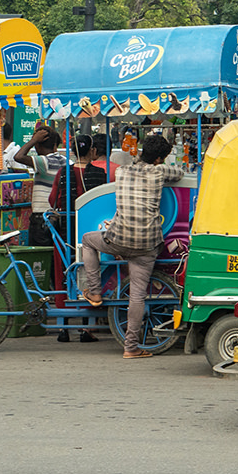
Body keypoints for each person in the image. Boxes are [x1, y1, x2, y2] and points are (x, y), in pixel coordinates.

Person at [80, 135, 184, 359]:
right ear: (158, 159)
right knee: (137, 295)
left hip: (118, 239)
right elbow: (180, 174)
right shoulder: (159, 172)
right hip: (147, 245)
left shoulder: (122, 172)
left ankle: (95, 292)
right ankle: (131, 347)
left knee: (88, 240)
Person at [48, 135, 103, 341]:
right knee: (90, 273)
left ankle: (63, 327)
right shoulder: (99, 173)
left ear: (71, 151)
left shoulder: (63, 173)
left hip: (64, 231)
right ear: (93, 152)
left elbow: (53, 199)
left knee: (62, 274)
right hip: (90, 231)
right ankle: (87, 328)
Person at [15, 125, 66, 247]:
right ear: (55, 145)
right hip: (59, 216)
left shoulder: (43, 162)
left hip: (41, 218)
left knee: (40, 257)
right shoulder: (67, 161)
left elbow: (18, 157)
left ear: (37, 146)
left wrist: (33, 140)